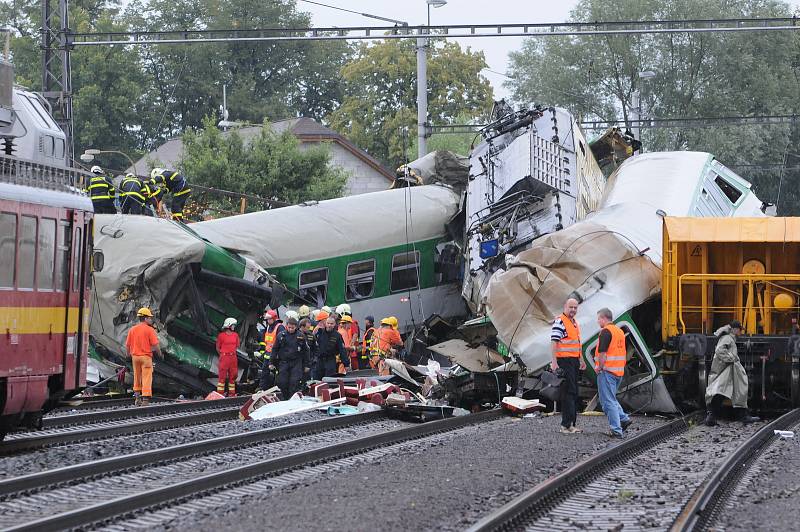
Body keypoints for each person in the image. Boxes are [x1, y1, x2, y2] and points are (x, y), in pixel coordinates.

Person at [703, 320, 761, 426]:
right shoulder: (727, 338)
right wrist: (732, 358)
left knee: (730, 391)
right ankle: (742, 416)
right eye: (739, 330)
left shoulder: (729, 338)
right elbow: (719, 350)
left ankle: (713, 417)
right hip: (728, 369)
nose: (740, 332)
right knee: (727, 391)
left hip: (729, 369)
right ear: (734, 329)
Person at [595, 308, 632, 438]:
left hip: (607, 371)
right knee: (611, 399)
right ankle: (624, 419)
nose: (598, 321)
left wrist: (599, 367)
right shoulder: (619, 331)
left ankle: (616, 430)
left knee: (608, 401)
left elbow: (602, 353)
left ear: (604, 318)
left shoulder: (605, 332)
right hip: (618, 372)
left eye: (598, 318)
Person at [551, 297, 586, 434]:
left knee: (574, 392)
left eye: (575, 308)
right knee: (568, 393)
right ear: (565, 307)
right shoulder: (560, 321)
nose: (573, 310)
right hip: (565, 361)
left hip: (573, 361)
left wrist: (581, 360)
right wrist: (554, 362)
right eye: (570, 307)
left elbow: (577, 344)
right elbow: (554, 342)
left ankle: (571, 424)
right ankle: (566, 425)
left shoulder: (574, 323)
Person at [125, 307, 163, 406]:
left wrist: (128, 355)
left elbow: (127, 345)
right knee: (146, 377)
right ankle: (145, 400)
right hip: (146, 358)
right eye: (150, 318)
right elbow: (156, 345)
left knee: (137, 377)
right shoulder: (150, 330)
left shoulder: (132, 329)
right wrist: (160, 355)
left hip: (135, 357)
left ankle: (137, 398)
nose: (151, 319)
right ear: (145, 318)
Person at [270, 317, 310, 399]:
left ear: (296, 327)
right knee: (282, 382)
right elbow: (275, 349)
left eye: (293, 328)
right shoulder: (281, 335)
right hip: (284, 362)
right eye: (289, 327)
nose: (291, 329)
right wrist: (271, 362)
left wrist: (307, 365)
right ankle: (284, 399)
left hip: (296, 363)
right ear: (286, 326)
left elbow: (306, 351)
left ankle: (292, 400)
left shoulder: (301, 336)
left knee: (294, 382)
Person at [258, 310, 284, 391]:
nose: (267, 321)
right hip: (267, 355)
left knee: (278, 373)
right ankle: (262, 389)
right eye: (267, 319)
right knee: (264, 373)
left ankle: (278, 389)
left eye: (269, 319)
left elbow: (282, 343)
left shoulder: (280, 327)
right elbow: (266, 342)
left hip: (276, 356)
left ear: (274, 318)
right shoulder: (269, 327)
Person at [216, 317, 240, 397]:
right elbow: (217, 348)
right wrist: (223, 354)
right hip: (224, 358)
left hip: (233, 358)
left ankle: (232, 395)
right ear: (228, 325)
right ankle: (220, 394)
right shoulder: (221, 336)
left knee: (232, 377)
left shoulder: (236, 335)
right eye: (233, 325)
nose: (234, 327)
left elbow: (236, 346)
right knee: (222, 377)